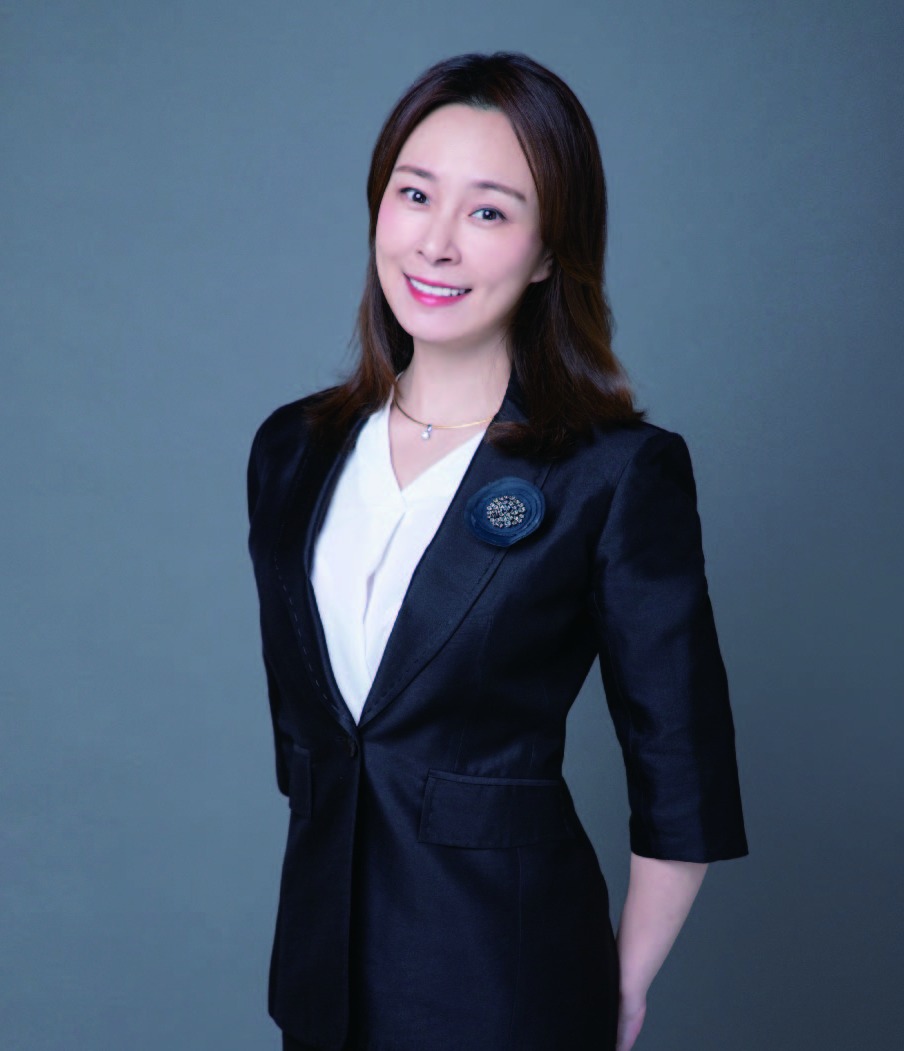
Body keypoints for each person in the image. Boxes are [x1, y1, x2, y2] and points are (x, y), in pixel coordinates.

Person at [246, 51, 748, 1051]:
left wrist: (621, 982)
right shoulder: (292, 449)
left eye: (487, 211)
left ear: (549, 251)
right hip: (319, 985)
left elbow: (681, 771)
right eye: (413, 194)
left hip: (508, 988)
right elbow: (315, 749)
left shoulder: (611, 472)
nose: (435, 242)